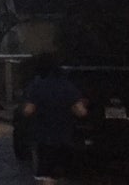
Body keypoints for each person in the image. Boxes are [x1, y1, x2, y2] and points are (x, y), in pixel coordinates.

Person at [22, 55, 87, 185]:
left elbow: (28, 111)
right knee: (61, 174)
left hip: (44, 138)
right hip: (65, 138)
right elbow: (81, 112)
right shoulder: (68, 87)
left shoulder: (37, 86)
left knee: (45, 175)